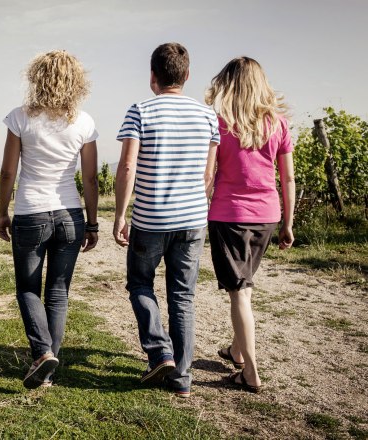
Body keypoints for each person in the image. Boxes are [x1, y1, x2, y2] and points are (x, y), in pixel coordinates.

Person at [114, 43, 220, 398]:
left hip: (150, 218)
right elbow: (209, 174)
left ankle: (160, 352)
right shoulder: (208, 116)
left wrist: (120, 214)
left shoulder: (139, 111)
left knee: (141, 284)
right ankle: (182, 378)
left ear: (152, 76)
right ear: (187, 75)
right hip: (192, 219)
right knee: (183, 296)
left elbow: (128, 166)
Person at [0, 50, 99, 390]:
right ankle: (47, 371)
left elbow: (9, 171)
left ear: (36, 78)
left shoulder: (20, 118)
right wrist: (92, 221)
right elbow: (90, 180)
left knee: (27, 289)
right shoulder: (84, 122)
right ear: (76, 82)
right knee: (58, 292)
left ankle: (42, 353)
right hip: (70, 215)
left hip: (31, 212)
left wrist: (2, 212)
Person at [204, 57, 295, 393]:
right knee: (246, 283)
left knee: (239, 291)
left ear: (228, 84)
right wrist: (289, 221)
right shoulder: (278, 124)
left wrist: (199, 206)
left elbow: (209, 174)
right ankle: (237, 350)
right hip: (267, 216)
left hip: (228, 216)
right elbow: (287, 177)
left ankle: (250, 373)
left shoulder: (219, 123)